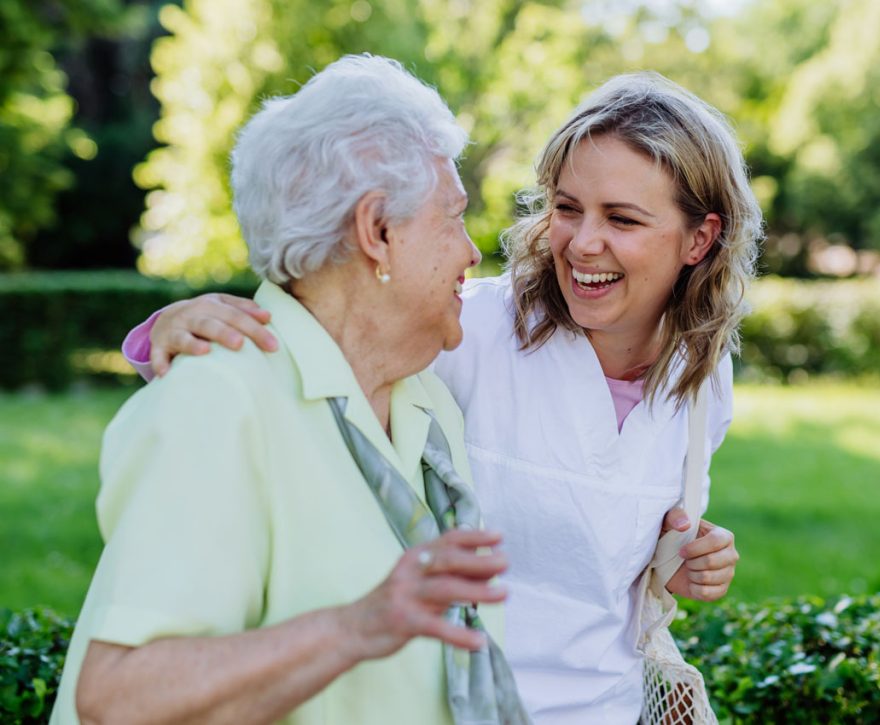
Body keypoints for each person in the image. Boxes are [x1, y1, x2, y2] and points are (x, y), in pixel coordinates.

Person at [123, 71, 760, 723]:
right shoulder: (468, 330)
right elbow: (306, 366)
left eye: (621, 218)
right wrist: (176, 330)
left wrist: (675, 559)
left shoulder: (703, 377)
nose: (581, 241)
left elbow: (612, 550)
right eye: (567, 208)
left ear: (699, 239)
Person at [52, 55, 530, 725]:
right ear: (376, 232)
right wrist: (360, 625)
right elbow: (120, 697)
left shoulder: (427, 403)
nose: (471, 251)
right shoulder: (219, 397)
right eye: (452, 217)